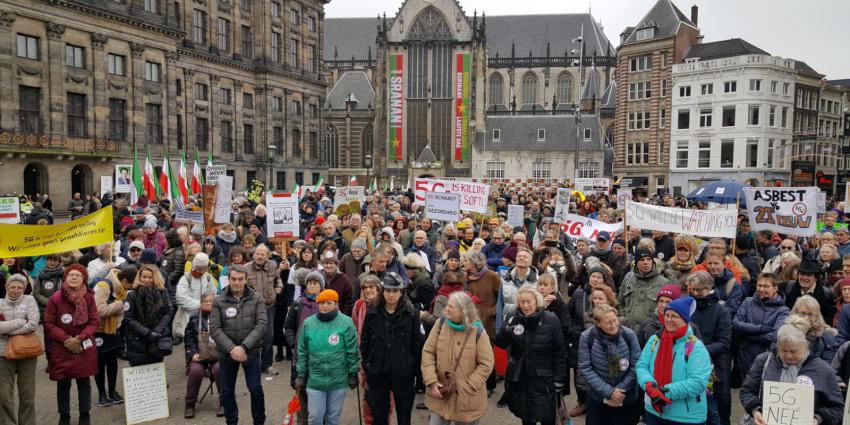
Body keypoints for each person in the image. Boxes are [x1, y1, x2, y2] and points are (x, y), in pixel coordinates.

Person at [740, 315, 844, 425]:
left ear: (805, 346)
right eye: (784, 351)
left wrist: (818, 418)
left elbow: (838, 409)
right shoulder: (764, 361)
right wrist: (756, 410)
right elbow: (747, 391)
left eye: (794, 351)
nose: (788, 356)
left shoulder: (822, 369)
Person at [495, 285, 568, 425]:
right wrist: (505, 331)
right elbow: (500, 344)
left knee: (547, 418)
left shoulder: (551, 320)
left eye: (529, 301)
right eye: (522, 302)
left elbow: (559, 352)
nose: (526, 306)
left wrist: (559, 379)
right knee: (527, 418)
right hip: (522, 380)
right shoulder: (513, 319)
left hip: (545, 380)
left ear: (537, 301)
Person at [360, 272, 426, 425]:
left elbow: (418, 345)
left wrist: (415, 370)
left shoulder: (411, 315)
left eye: (395, 291)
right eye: (388, 290)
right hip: (378, 373)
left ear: (401, 292)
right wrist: (368, 365)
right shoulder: (372, 313)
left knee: (404, 418)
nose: (391, 295)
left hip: (403, 374)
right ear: (383, 291)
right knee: (379, 418)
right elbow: (365, 342)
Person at [421, 291, 495, 425]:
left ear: (464, 311)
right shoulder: (441, 324)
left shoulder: (477, 331)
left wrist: (470, 385)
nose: (446, 309)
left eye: (451, 307)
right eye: (447, 305)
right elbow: (428, 352)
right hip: (441, 393)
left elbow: (487, 363)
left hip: (467, 398)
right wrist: (431, 380)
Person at [636, 296, 712, 425]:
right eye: (667, 315)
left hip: (685, 417)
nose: (669, 319)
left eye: (674, 316)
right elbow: (641, 366)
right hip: (654, 411)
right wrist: (649, 386)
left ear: (685, 319)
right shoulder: (655, 340)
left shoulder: (694, 346)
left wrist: (664, 392)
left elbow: (698, 382)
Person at [210, 265, 268, 425]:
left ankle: (259, 421)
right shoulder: (218, 300)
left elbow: (262, 325)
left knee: (255, 388)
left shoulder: (257, 298)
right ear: (228, 280)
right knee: (227, 391)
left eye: (240, 279)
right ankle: (231, 421)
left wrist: (243, 347)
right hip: (226, 354)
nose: (237, 282)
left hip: (251, 352)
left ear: (246, 280)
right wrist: (232, 349)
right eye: (233, 279)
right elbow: (214, 328)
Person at [44, 265, 99, 425]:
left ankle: (84, 415)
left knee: (84, 382)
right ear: (65, 278)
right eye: (71, 275)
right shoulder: (55, 298)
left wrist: (79, 338)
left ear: (84, 279)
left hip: (83, 346)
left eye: (78, 275)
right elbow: (48, 323)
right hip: (62, 347)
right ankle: (64, 416)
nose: (74, 277)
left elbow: (94, 321)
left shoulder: (89, 297)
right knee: (63, 383)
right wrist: (67, 340)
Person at [295, 289, 359, 425]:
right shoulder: (308, 323)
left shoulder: (346, 322)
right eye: (322, 303)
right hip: (315, 381)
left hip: (339, 381)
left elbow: (352, 350)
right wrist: (301, 374)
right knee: (315, 418)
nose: (325, 306)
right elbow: (302, 350)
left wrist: (353, 373)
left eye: (329, 303)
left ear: (336, 304)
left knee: (332, 419)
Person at [578, 305, 642, 425]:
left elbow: (636, 365)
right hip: (597, 398)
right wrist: (610, 392)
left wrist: (620, 391)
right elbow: (586, 368)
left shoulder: (629, 335)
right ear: (598, 324)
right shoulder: (587, 337)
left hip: (625, 397)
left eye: (615, 320)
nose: (613, 325)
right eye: (608, 323)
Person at [732, 272, 790, 382]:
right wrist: (761, 328)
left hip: (766, 356)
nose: (761, 289)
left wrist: (747, 335)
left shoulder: (783, 311)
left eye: (766, 286)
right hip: (745, 356)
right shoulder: (747, 302)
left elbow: (775, 336)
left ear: (775, 288)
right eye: (759, 285)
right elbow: (736, 324)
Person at [284, 270, 324, 425]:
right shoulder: (298, 304)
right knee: (302, 395)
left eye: (316, 282)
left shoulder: (326, 304)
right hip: (300, 357)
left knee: (319, 396)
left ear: (321, 286)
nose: (312, 285)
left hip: (320, 357)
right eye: (310, 282)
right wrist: (294, 343)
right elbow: (288, 327)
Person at [0, 274, 40, 425]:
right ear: (6, 287)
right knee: (4, 395)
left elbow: (33, 324)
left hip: (27, 352)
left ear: (24, 288)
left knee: (27, 395)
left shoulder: (29, 300)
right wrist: (19, 322)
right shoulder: (0, 303)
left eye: (19, 287)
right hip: (2, 353)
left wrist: (7, 331)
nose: (15, 290)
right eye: (12, 287)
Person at [123, 264, 174, 366]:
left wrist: (157, 330)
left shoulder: (163, 292)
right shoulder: (132, 294)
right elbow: (128, 318)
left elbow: (168, 312)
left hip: (157, 338)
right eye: (144, 277)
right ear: (139, 277)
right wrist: (147, 333)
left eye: (150, 277)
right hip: (137, 339)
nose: (147, 280)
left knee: (156, 368)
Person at [244, 244, 284, 376]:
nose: (260, 256)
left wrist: (278, 287)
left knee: (268, 337)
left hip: (269, 306)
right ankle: (252, 365)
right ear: (254, 254)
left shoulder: (272, 265)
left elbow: (277, 278)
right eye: (257, 253)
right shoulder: (246, 268)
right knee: (254, 337)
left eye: (263, 254)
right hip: (252, 309)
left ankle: (267, 365)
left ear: (267, 256)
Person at [183, 292, 223, 418]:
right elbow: (188, 338)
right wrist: (193, 353)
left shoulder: (221, 315)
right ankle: (190, 404)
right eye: (205, 301)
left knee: (220, 369)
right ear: (200, 303)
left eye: (211, 301)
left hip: (218, 354)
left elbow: (228, 336)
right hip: (200, 354)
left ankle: (225, 401)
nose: (208, 303)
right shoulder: (195, 315)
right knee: (196, 371)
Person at [92, 269, 127, 407]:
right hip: (99, 330)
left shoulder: (117, 287)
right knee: (100, 363)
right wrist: (119, 304)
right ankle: (102, 393)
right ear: (124, 281)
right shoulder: (103, 286)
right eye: (129, 285)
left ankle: (112, 391)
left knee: (112, 362)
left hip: (113, 329)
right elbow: (100, 310)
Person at [618, 248, 670, 331]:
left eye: (649, 259)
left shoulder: (663, 282)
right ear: (636, 263)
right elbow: (620, 301)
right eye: (642, 260)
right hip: (627, 329)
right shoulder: (629, 277)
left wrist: (654, 325)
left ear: (652, 262)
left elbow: (667, 309)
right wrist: (623, 316)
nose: (646, 262)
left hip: (649, 330)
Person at [174, 253, 215, 342]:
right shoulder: (185, 279)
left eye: (204, 269)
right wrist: (199, 305)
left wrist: (209, 303)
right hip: (187, 318)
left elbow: (213, 294)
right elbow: (180, 298)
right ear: (194, 266)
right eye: (199, 269)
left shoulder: (208, 277)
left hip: (203, 319)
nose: (201, 272)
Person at [788, 296, 839, 362]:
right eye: (802, 313)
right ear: (795, 313)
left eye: (810, 314)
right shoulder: (785, 332)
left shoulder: (827, 338)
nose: (806, 318)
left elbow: (828, 366)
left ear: (817, 317)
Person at [786, 260, 836, 324]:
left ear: (816, 278)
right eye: (802, 274)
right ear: (798, 275)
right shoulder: (787, 288)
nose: (805, 278)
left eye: (809, 275)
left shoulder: (826, 294)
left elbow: (828, 319)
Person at [319, 251, 355, 316]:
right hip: (320, 315)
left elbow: (349, 301)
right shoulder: (318, 277)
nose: (328, 265)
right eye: (326, 263)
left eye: (331, 263)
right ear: (323, 264)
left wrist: (344, 316)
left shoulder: (344, 280)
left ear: (336, 265)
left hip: (338, 316)